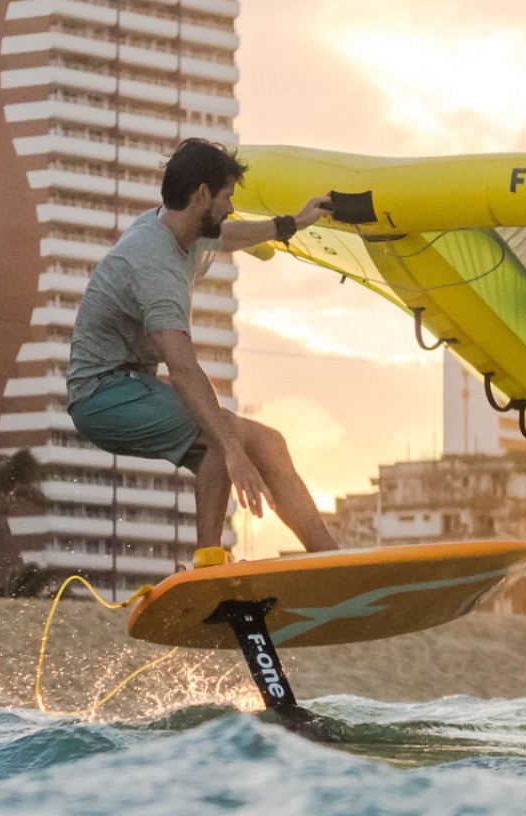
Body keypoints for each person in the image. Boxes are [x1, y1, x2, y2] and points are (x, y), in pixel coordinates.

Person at [65, 140, 337, 566]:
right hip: (103, 395)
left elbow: (225, 236)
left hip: (130, 383)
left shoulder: (177, 228)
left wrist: (292, 224)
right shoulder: (155, 264)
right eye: (227, 197)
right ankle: (234, 563)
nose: (230, 208)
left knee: (253, 442)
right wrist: (232, 448)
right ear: (202, 194)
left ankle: (304, 562)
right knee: (232, 437)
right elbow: (183, 367)